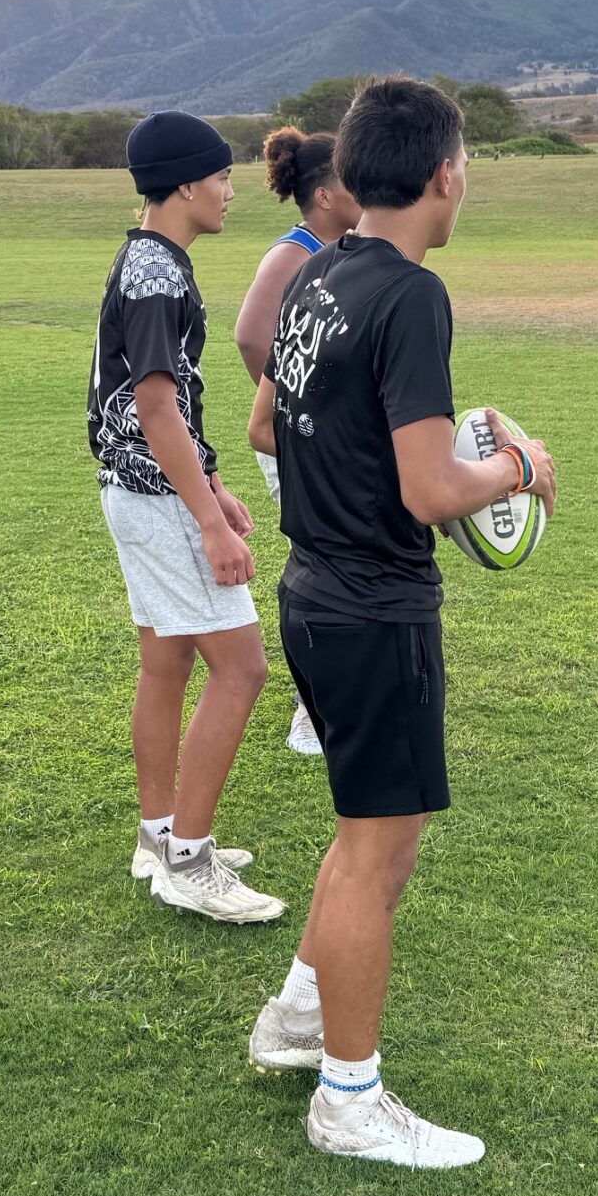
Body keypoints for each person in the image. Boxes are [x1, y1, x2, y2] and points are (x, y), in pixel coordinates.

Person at [244, 77, 554, 1168]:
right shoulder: (411, 294)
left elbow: (268, 427)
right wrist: (516, 466)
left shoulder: (314, 273)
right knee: (377, 855)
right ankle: (349, 1098)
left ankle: (294, 1015)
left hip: (312, 596)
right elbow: (430, 490)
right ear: (440, 175)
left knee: (363, 841)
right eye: (465, 164)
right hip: (375, 609)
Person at [92, 110, 284, 924]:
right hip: (154, 496)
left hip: (141, 489)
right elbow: (156, 408)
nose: (232, 192)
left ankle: (158, 834)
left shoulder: (150, 260)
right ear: (183, 183)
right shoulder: (158, 274)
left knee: (166, 664)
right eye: (221, 178)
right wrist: (206, 517)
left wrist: (212, 484)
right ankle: (189, 862)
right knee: (242, 669)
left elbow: (163, 408)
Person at [232, 126, 359, 757]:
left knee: (342, 552)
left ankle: (336, 693)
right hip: (295, 437)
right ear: (325, 193)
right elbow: (251, 335)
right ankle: (310, 709)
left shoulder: (347, 248)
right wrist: (295, 408)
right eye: (351, 176)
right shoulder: (296, 253)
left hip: (319, 434)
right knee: (323, 556)